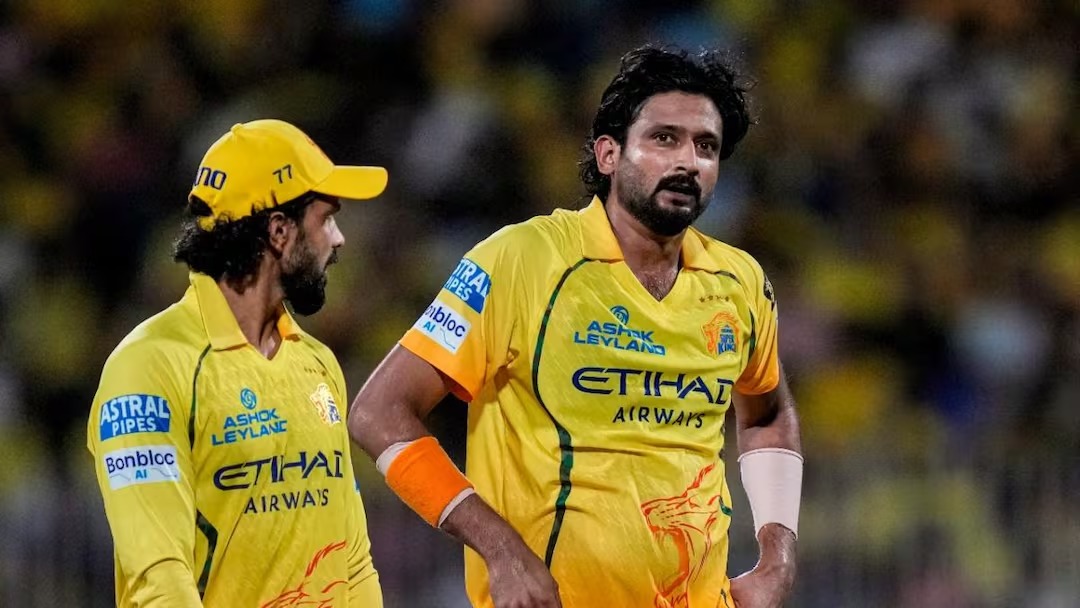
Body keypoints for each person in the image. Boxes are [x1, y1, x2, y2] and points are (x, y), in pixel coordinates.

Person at [349, 44, 803, 608]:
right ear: (609, 154)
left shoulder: (739, 281)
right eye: (664, 139)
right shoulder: (521, 260)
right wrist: (501, 550)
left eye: (705, 146)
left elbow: (767, 413)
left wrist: (777, 556)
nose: (688, 161)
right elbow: (378, 413)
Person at [87, 119, 388, 607]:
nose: (339, 240)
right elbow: (159, 576)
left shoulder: (317, 363)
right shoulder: (148, 369)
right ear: (279, 231)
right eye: (326, 219)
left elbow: (353, 562)